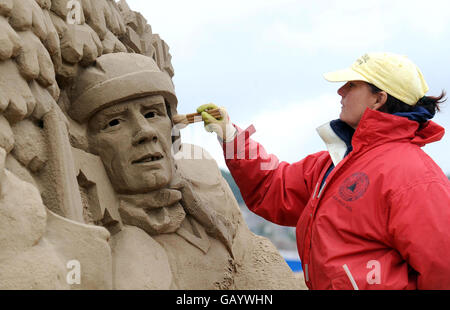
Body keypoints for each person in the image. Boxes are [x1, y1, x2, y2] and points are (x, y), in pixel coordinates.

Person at [198, 52, 450, 290]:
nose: (341, 91)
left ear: (378, 98)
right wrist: (230, 136)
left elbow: (443, 268)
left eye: (352, 85)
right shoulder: (334, 163)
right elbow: (274, 187)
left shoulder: (416, 177)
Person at [68, 52, 303, 289]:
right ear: (88, 144)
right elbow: (274, 184)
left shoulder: (210, 189)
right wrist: (231, 136)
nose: (145, 132)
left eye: (152, 114)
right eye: (115, 122)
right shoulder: (97, 242)